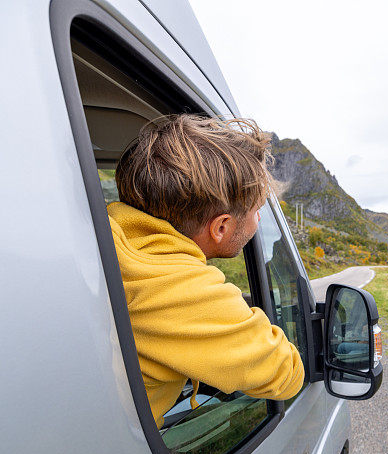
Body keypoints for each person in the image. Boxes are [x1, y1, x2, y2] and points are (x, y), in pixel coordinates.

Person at [107, 114, 304, 428]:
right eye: (257, 210)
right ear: (221, 227)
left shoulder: (106, 236)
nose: (257, 221)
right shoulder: (186, 291)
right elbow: (285, 374)